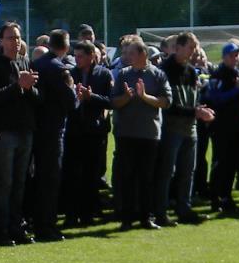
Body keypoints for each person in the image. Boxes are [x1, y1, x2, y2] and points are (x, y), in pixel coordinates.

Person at [0, 21, 39, 245]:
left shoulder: (25, 61)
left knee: (20, 182)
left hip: (25, 129)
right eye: (10, 38)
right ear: (2, 41)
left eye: (17, 37)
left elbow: (37, 98)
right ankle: (0, 230)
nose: (15, 42)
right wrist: (18, 87)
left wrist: (29, 88)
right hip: (5, 132)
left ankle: (17, 227)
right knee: (4, 182)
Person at [110, 39, 169, 229]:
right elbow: (114, 102)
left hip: (149, 134)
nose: (127, 57)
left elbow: (166, 101)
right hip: (126, 133)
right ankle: (126, 218)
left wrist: (144, 97)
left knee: (146, 177)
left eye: (131, 54)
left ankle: (146, 218)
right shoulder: (123, 75)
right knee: (127, 176)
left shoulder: (158, 74)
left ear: (143, 54)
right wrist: (126, 98)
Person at [155, 32, 210, 227]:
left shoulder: (191, 71)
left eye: (195, 48)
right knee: (167, 172)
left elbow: (193, 100)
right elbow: (169, 105)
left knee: (188, 171)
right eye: (190, 48)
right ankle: (160, 212)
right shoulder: (165, 70)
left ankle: (183, 208)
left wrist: (200, 111)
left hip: (190, 128)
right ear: (178, 47)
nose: (194, 52)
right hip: (172, 128)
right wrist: (194, 112)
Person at [30, 29, 77, 241]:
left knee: (39, 178)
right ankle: (46, 225)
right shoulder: (59, 68)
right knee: (50, 179)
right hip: (53, 129)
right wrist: (74, 90)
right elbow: (71, 101)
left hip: (36, 128)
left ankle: (37, 221)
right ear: (66, 47)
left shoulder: (37, 64)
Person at [63, 40, 112, 227]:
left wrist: (91, 97)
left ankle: (88, 214)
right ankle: (70, 214)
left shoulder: (103, 74)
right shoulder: (71, 74)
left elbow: (110, 101)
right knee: (72, 175)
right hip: (74, 131)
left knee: (91, 175)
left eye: (81, 56)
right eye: (75, 56)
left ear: (92, 56)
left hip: (94, 132)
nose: (77, 59)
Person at [204, 42, 239, 215]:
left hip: (237, 125)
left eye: (237, 55)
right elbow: (216, 99)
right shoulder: (218, 74)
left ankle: (226, 196)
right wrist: (237, 89)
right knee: (220, 162)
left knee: (233, 162)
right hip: (221, 126)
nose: (235, 58)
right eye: (231, 55)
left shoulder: (238, 74)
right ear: (224, 57)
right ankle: (215, 197)